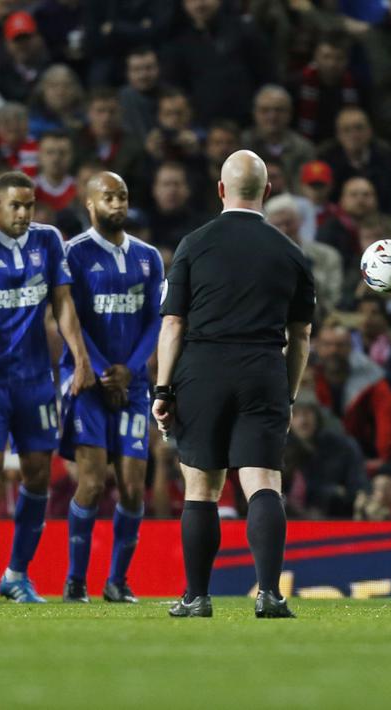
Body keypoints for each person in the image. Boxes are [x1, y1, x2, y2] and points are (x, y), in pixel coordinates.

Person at [154, 150, 315, 619]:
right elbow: (300, 335)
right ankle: (268, 594)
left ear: (221, 190)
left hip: (202, 370)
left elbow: (172, 325)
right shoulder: (291, 252)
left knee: (202, 488)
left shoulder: (193, 244)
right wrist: (286, 394)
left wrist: (163, 390)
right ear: (266, 191)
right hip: (263, 369)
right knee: (263, 482)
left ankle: (197, 597)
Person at [0, 171, 93, 603]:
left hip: (37, 380)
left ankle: (16, 574)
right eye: (15, 205)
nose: (23, 213)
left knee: (39, 475)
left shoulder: (49, 241)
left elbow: (63, 305)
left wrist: (80, 357)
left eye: (29, 205)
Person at [60, 171, 162, 604]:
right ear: (90, 204)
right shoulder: (74, 254)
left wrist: (131, 369)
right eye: (109, 197)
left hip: (133, 386)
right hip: (87, 382)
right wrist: (103, 370)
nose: (118, 205)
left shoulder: (148, 256)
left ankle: (117, 581)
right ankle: (75, 580)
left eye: (122, 196)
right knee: (92, 483)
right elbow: (71, 320)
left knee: (134, 486)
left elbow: (156, 320)